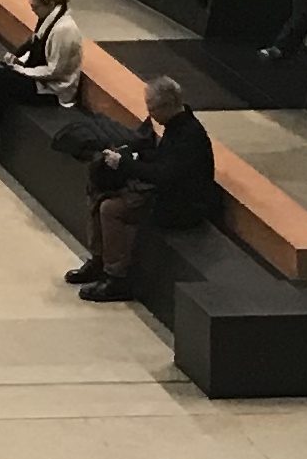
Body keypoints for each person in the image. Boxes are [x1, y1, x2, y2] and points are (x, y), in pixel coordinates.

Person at [71, 77, 217, 302]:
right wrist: (133, 155)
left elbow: (163, 176)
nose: (150, 115)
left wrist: (125, 164)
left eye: (152, 109)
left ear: (167, 105)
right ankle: (98, 261)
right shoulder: (176, 127)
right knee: (98, 189)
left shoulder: (189, 136)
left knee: (111, 209)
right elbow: (162, 164)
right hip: (165, 190)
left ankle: (117, 278)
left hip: (180, 206)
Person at [0, 0, 81, 160]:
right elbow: (35, 49)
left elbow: (54, 70)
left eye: (35, 7)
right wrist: (19, 60)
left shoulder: (64, 30)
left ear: (49, 5)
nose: (33, 10)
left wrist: (22, 70)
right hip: (38, 80)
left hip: (52, 91)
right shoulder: (48, 20)